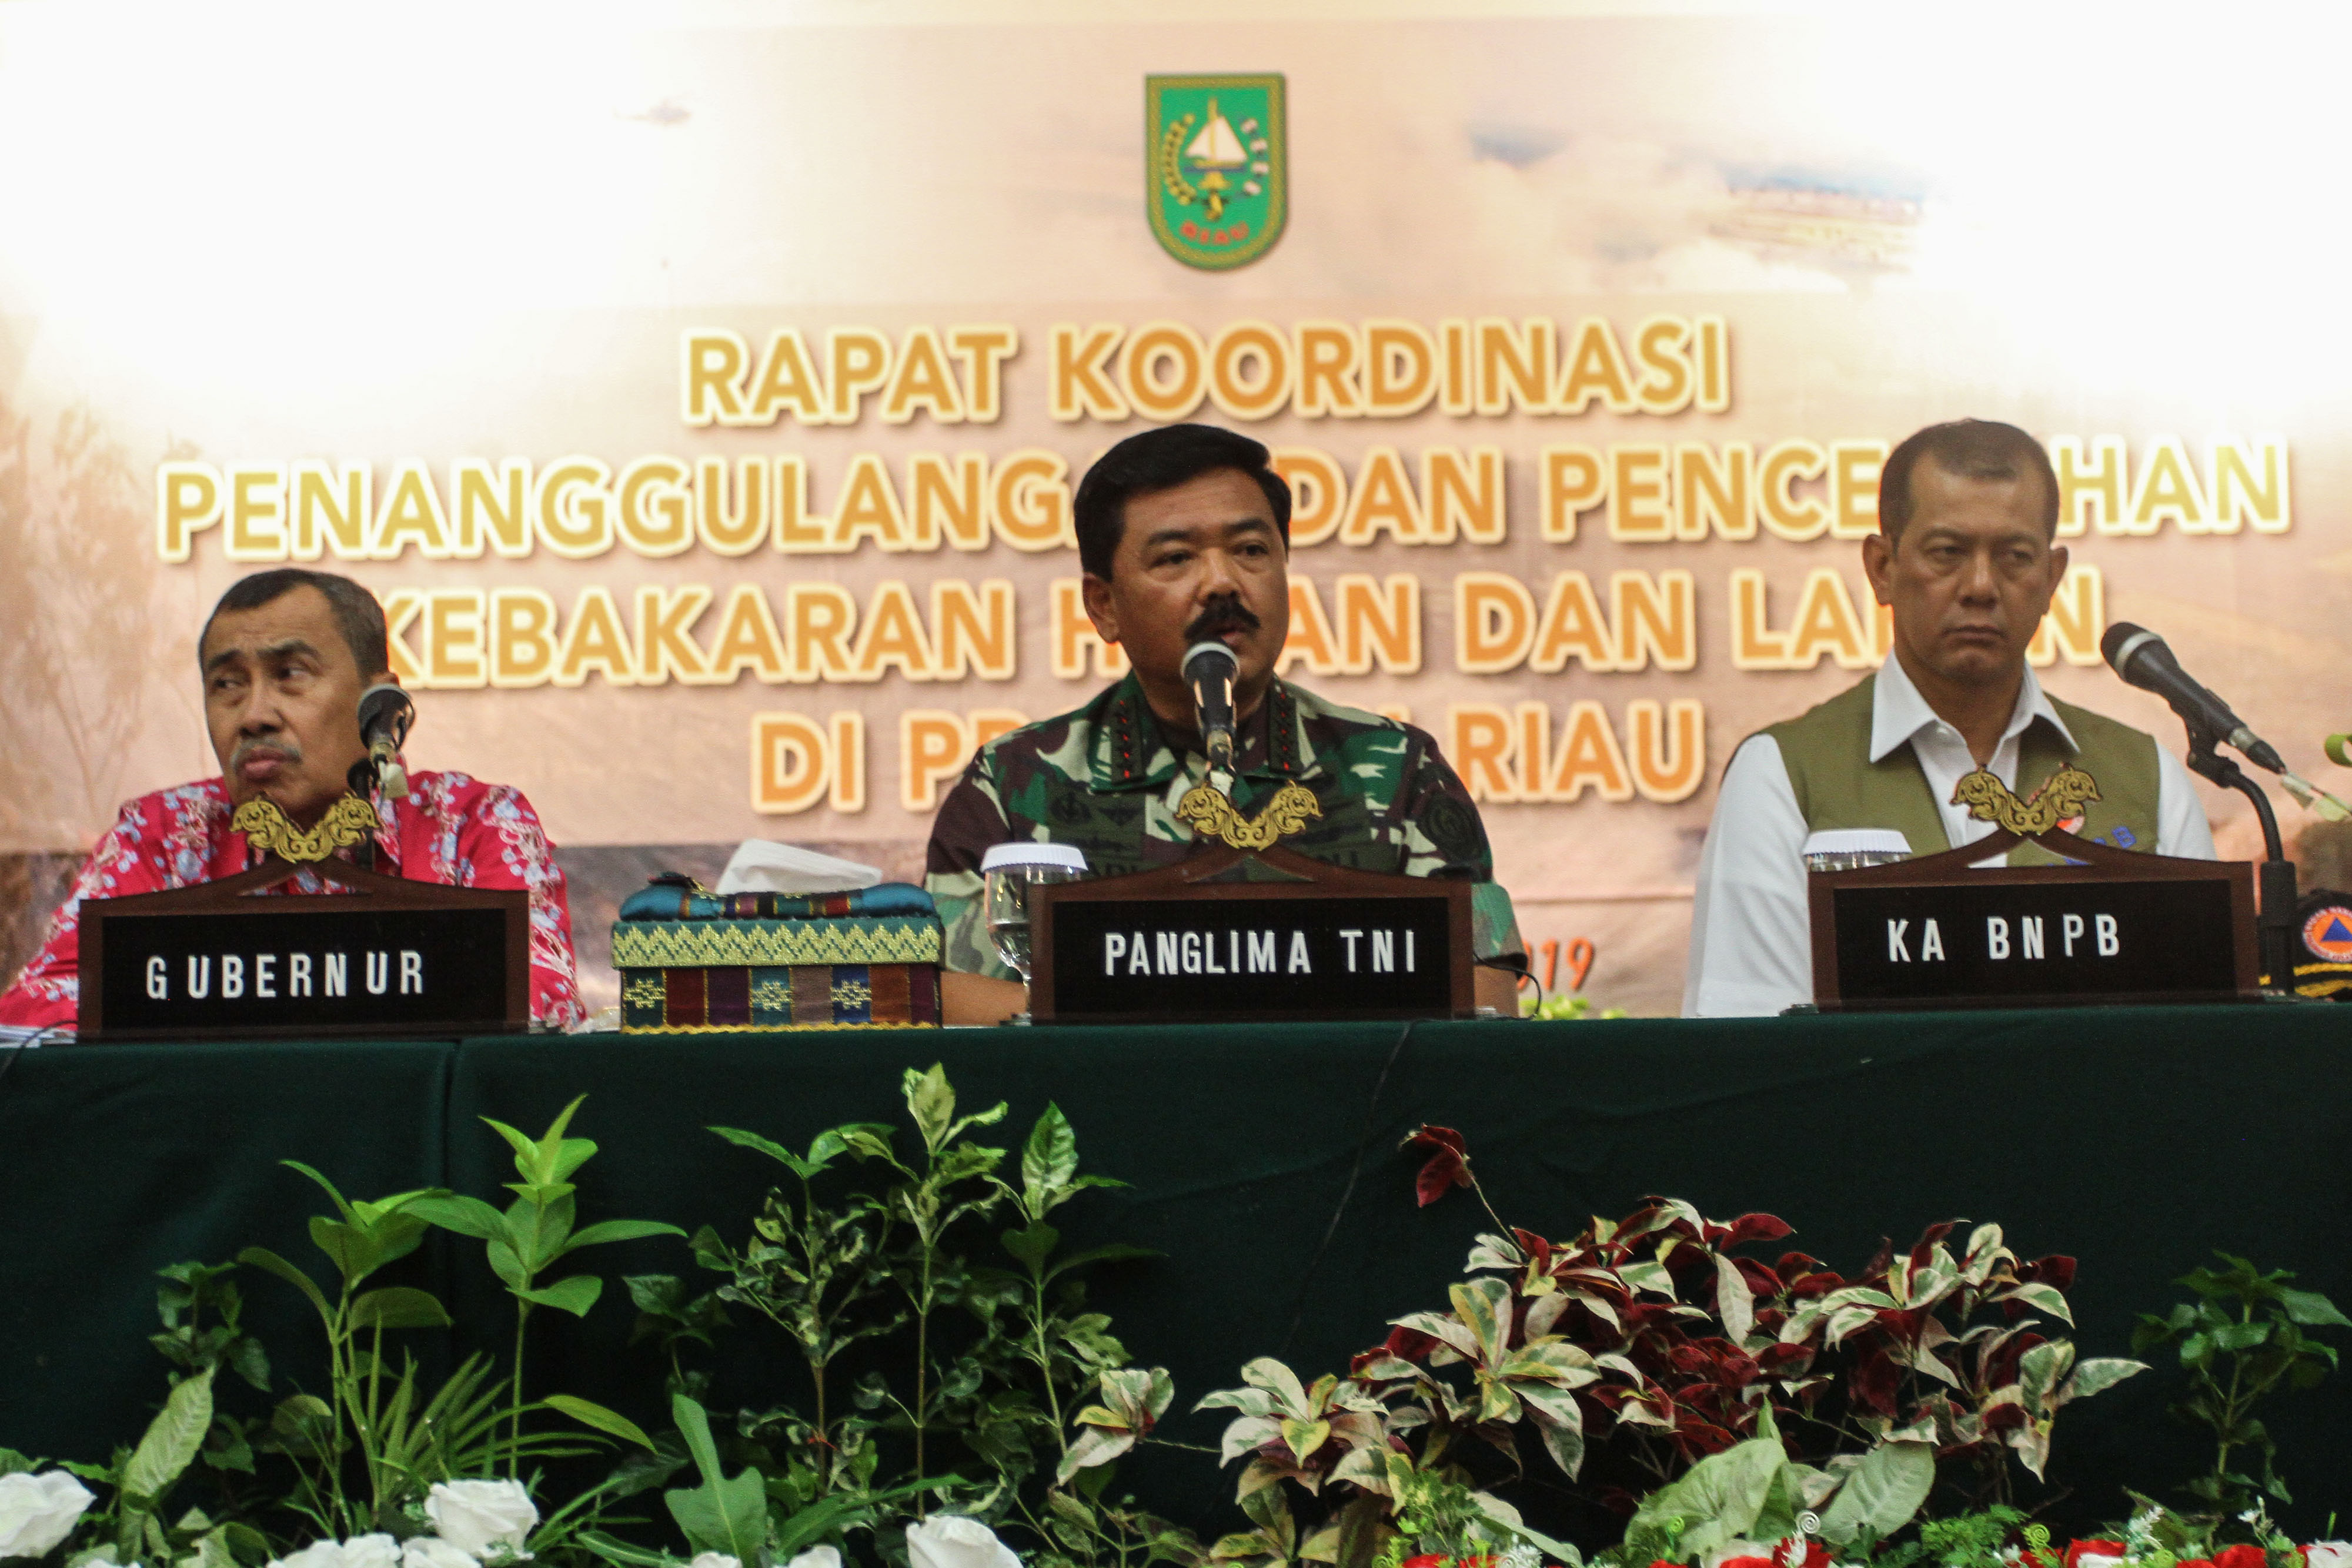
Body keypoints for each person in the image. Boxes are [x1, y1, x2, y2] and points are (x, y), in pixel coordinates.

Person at [924, 423, 1526, 1024]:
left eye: (1250, 550)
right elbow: (945, 996)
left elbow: (1483, 993)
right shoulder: (1014, 782)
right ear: (1104, 606)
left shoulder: (1398, 771)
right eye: (1177, 558)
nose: (1221, 583)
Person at [1683, 419, 2216, 1017]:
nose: (1981, 586)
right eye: (1947, 553)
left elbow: (2192, 1046)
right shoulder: (1784, 775)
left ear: (2052, 579)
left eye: (2015, 557)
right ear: (1882, 568)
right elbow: (1750, 1048)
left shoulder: (2144, 778)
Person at [0, 569, 584, 1031]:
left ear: (378, 706)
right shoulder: (159, 834)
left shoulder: (473, 823)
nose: (253, 716)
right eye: (227, 684)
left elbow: (540, 1001)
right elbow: (40, 1005)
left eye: (290, 675)